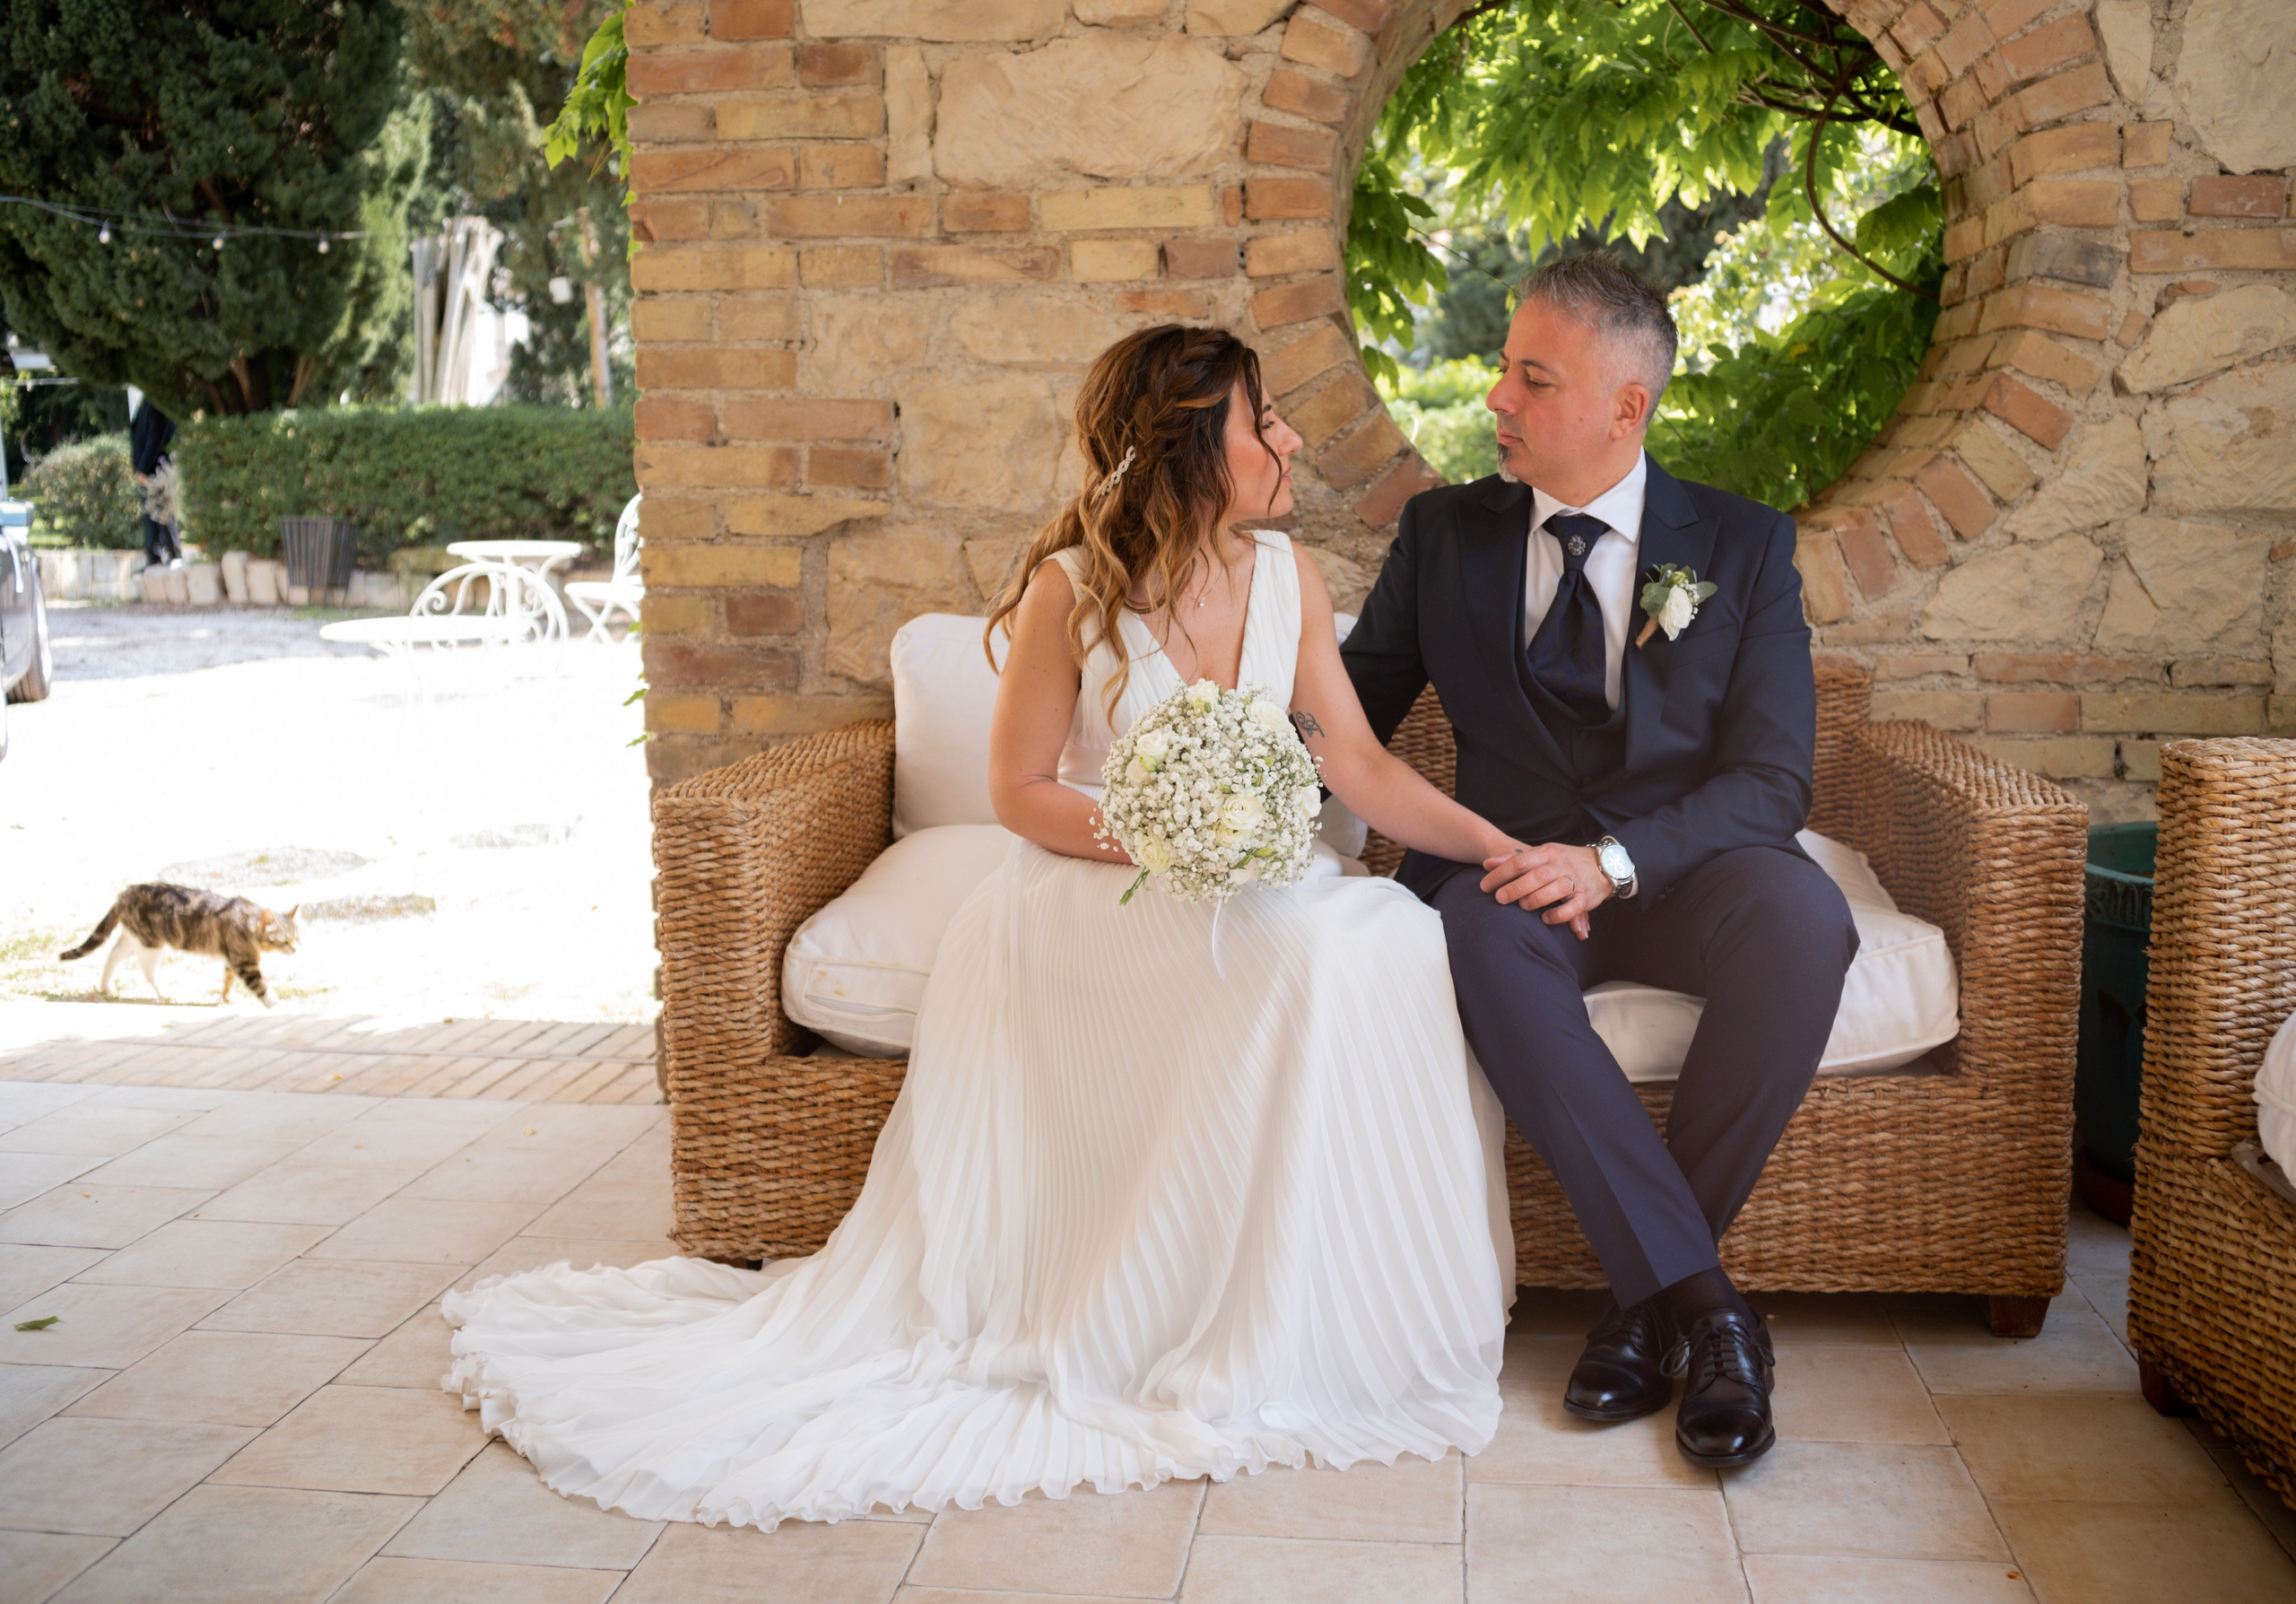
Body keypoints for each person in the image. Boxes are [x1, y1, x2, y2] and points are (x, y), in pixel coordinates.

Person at [442, 325, 1532, 1529]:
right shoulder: (1076, 587)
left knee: (1385, 937)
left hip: (1247, 878)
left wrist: (1494, 847)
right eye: (1257, 420)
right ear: (1186, 450)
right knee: (1299, 953)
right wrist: (1170, 835)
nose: (1285, 439)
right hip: (1096, 893)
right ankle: (1190, 1316)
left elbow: (1362, 766)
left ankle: (1328, 1311)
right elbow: (1022, 794)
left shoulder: (1294, 581)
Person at [1337, 252, 1858, 1469]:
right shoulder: (1443, 534)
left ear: (1628, 407)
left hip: (1681, 873)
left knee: (1805, 921)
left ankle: (1647, 1308)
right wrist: (1223, 768)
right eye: (1500, 371)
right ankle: (1714, 1318)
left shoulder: (1739, 543)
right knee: (1470, 925)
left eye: (1532, 378)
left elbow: (1773, 782)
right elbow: (1346, 717)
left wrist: (1614, 862)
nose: (1496, 403)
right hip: (1507, 880)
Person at [128, 394, 178, 570]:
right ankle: (153, 556)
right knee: (150, 516)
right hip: (146, 471)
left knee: (163, 511)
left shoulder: (159, 403)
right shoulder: (146, 402)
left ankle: (173, 554)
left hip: (157, 470)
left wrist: (143, 468)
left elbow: (155, 439)